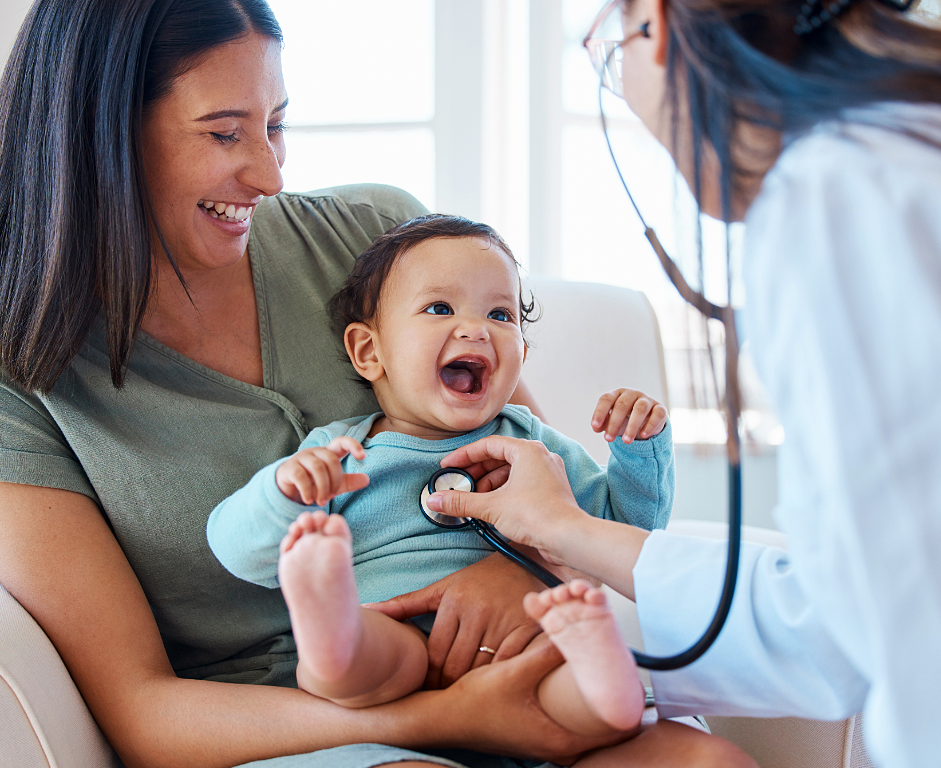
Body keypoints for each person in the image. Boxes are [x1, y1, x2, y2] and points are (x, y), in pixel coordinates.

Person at [0, 1, 758, 767]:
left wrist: (517, 572)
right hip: (302, 732)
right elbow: (143, 712)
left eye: (277, 125)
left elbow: (529, 471)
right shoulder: (1, 382)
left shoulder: (373, 236)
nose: (268, 174)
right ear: (100, 138)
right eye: (224, 134)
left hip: (514, 665)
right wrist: (434, 721)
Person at [403, 1, 941, 767]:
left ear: (655, 25)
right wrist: (561, 532)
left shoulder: (837, 197)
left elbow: (857, 627)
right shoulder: (897, 151)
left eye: (612, 51)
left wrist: (571, 526)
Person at [207, 214, 673, 740]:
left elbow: (620, 531)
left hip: (522, 642)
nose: (477, 328)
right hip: (391, 631)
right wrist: (283, 493)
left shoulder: (533, 446)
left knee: (573, 695)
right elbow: (238, 551)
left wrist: (637, 451)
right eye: (439, 308)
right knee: (353, 664)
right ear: (369, 352)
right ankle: (330, 622)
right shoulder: (341, 454)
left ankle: (603, 679)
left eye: (501, 313)